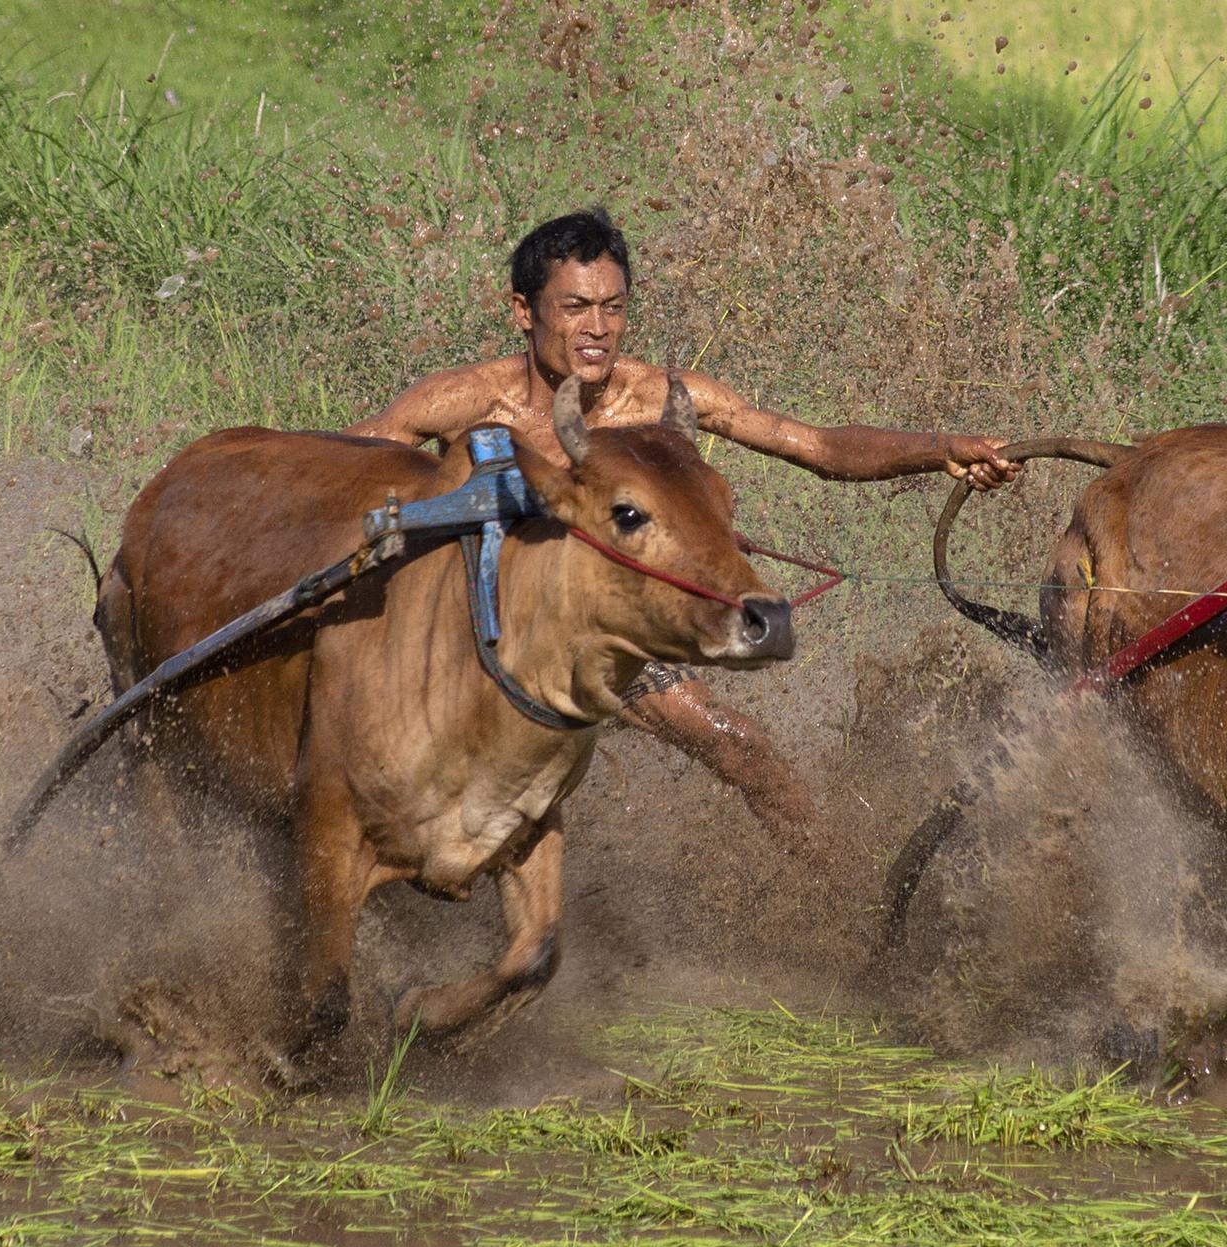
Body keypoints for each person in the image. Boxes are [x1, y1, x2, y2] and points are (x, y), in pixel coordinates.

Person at [345, 209, 1016, 838]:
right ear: (524, 311)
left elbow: (814, 446)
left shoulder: (661, 397)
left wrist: (939, 449)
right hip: (485, 643)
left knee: (742, 746)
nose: (597, 328)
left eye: (613, 307)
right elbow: (339, 468)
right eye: (575, 307)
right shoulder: (466, 400)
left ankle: (842, 910)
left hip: (612, 632)